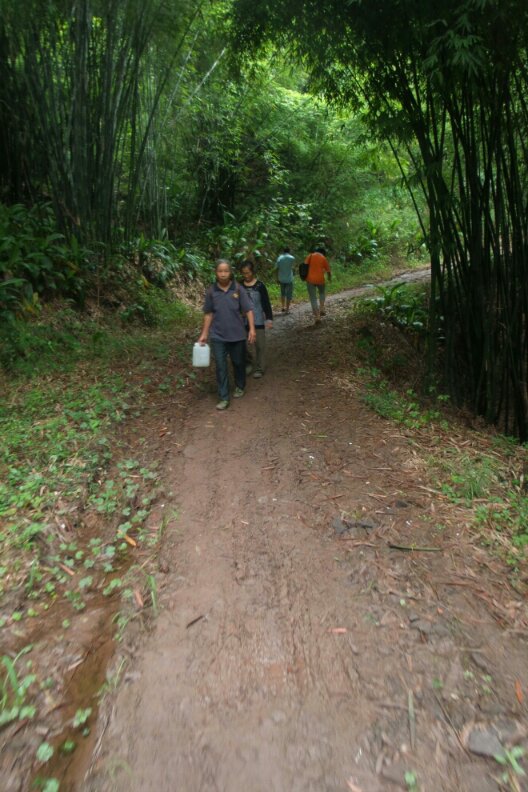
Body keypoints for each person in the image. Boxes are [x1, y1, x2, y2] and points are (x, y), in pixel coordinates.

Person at [197, 259, 256, 410]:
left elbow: (248, 310)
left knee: (238, 363)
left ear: (230, 272)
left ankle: (240, 386)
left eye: (226, 271)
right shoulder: (211, 291)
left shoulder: (238, 289)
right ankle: (223, 397)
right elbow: (208, 314)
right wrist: (204, 333)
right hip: (218, 336)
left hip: (237, 335)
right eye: (220, 271)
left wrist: (252, 329)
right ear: (216, 273)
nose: (223, 274)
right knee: (221, 366)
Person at [239, 260, 273, 378]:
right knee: (241, 344)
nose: (246, 275)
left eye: (248, 273)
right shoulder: (239, 286)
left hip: (258, 319)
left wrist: (269, 318)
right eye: (244, 273)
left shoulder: (260, 286)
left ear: (253, 272)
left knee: (260, 345)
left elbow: (266, 303)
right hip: (243, 320)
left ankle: (260, 367)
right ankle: (247, 363)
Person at [304, 245, 331, 323]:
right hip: (320, 279)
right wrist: (329, 278)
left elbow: (304, 265)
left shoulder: (310, 256)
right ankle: (322, 308)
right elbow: (328, 270)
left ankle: (317, 317)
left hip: (310, 279)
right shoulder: (323, 258)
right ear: (323, 252)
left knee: (313, 298)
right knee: (322, 293)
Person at [274, 247, 295, 313]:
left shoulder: (279, 258)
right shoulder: (292, 258)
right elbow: (293, 267)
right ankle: (287, 309)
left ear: (283, 251)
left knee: (282, 293)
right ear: (289, 251)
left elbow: (276, 268)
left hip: (281, 278)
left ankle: (283, 307)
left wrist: (277, 278)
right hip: (289, 279)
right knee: (289, 294)